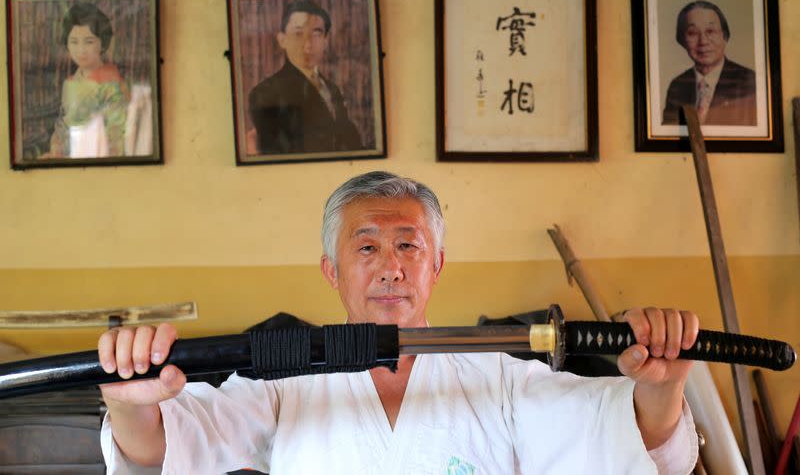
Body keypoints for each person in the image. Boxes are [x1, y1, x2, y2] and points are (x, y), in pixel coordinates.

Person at [99, 171, 699, 474]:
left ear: (436, 266)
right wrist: (133, 403)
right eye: (366, 249)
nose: (391, 269)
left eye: (408, 247)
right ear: (332, 271)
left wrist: (661, 385)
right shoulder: (282, 381)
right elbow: (171, 448)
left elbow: (619, 437)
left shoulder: (502, 376)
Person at [248, 0, 364, 155]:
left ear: (325, 41)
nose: (308, 44)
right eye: (298, 33)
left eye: (316, 34)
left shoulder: (331, 88)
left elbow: (351, 143)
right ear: (282, 39)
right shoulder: (265, 92)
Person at [48, 2, 130, 158]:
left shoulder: (111, 82)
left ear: (102, 43)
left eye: (89, 41)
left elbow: (117, 134)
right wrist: (56, 150)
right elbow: (61, 126)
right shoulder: (70, 82)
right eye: (74, 42)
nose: (81, 50)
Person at [662, 0, 756, 126]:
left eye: (710, 31)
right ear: (682, 40)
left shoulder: (750, 82)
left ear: (725, 36)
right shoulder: (678, 86)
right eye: (692, 33)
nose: (703, 41)